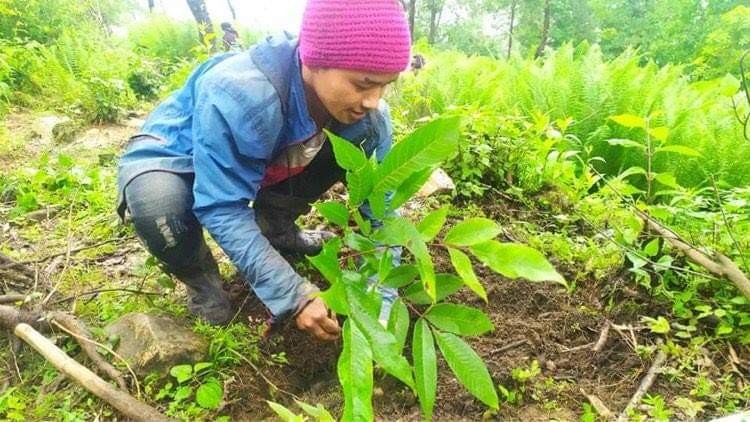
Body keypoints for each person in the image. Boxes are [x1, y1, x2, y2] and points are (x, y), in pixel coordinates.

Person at [116, 0, 411, 341]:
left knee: (359, 136)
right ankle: (202, 282)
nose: (373, 100)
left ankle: (277, 231)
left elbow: (383, 215)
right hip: (177, 156)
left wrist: (380, 307)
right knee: (158, 208)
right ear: (314, 61)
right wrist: (294, 295)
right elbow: (222, 205)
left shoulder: (370, 121)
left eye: (385, 85)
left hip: (261, 156)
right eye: (362, 85)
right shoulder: (243, 93)